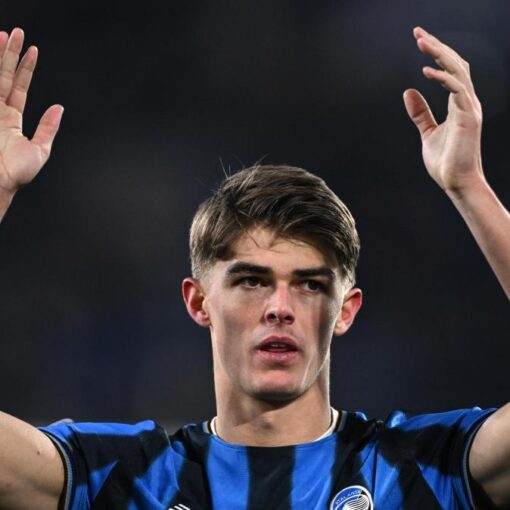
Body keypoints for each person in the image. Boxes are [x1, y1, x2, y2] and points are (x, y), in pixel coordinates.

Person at [0, 24, 508, 510]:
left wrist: (469, 186)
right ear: (199, 301)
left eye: (310, 285)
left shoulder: (421, 467)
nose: (279, 308)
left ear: (346, 310)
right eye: (251, 281)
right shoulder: (121, 476)